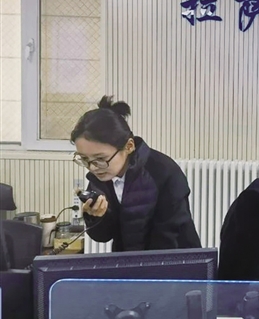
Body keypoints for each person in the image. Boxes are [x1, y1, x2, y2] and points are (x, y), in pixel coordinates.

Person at [71, 96, 201, 252]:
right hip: (130, 260)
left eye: (100, 158)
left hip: (175, 258)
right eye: (84, 159)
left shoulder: (163, 171)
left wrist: (137, 264)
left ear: (129, 146)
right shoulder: (100, 177)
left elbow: (169, 238)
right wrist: (95, 217)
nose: (92, 167)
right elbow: (103, 236)